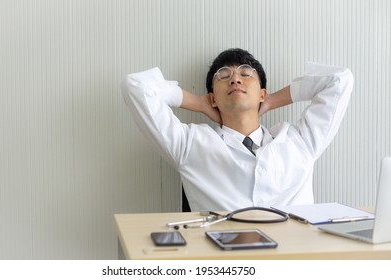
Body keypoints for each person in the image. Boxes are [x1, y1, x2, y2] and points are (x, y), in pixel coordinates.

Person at [122, 48, 353, 211]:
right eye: (223, 76)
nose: (235, 80)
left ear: (262, 93)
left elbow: (339, 80)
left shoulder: (299, 142)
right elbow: (137, 87)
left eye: (245, 74)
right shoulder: (190, 144)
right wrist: (199, 103)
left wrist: (272, 100)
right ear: (213, 98)